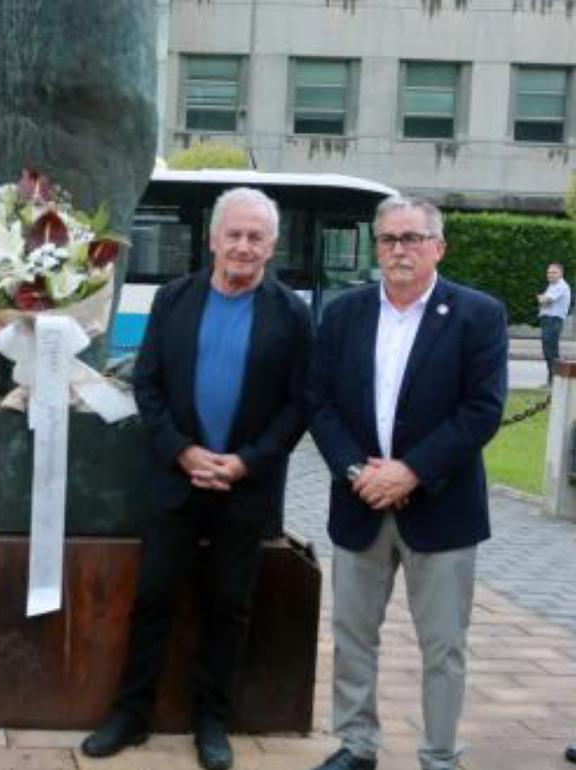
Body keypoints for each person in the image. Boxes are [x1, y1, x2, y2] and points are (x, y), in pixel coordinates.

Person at [80, 188, 313, 769]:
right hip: (175, 481)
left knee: (229, 606)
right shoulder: (173, 299)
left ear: (271, 245)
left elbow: (299, 404)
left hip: (245, 486)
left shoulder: (293, 314)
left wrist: (246, 461)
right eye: (233, 234)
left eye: (255, 236)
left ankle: (212, 720)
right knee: (153, 597)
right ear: (212, 239)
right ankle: (130, 714)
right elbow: (149, 385)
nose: (242, 245)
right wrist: (184, 452)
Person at [306, 197, 508, 770]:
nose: (399, 249)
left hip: (442, 509)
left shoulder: (478, 314)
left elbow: (482, 409)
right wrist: (355, 470)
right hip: (359, 500)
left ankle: (439, 754)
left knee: (443, 646)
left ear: (437, 247)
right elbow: (317, 402)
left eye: (412, 238)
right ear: (377, 247)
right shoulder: (344, 315)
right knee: (352, 639)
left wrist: (411, 470)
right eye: (389, 238)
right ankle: (356, 745)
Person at [537, 262, 570, 383]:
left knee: (551, 351)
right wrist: (542, 300)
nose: (550, 275)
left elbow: (546, 300)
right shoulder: (552, 286)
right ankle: (552, 378)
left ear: (561, 273)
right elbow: (543, 301)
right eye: (549, 272)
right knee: (547, 350)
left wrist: (542, 299)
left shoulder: (561, 286)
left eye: (554, 272)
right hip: (547, 320)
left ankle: (555, 379)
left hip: (553, 320)